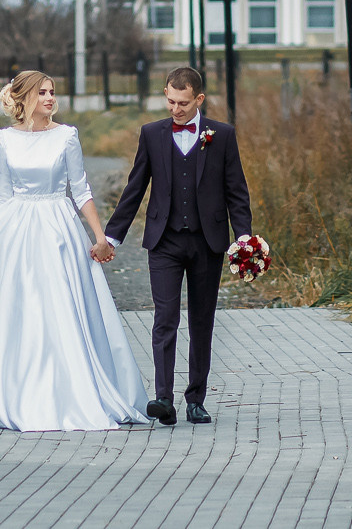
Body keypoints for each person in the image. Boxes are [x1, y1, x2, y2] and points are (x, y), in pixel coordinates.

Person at [0, 71, 148, 430]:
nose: (49, 98)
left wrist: (99, 237)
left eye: (52, 92)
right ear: (24, 98)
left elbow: (81, 190)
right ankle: (19, 392)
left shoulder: (66, 136)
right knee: (22, 308)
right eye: (41, 92)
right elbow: (1, 195)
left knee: (61, 308)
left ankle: (72, 392)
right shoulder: (5, 140)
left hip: (58, 229)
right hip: (16, 230)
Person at [102, 65, 252, 426]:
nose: (175, 109)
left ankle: (196, 400)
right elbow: (135, 187)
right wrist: (111, 236)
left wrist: (244, 238)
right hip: (164, 240)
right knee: (164, 318)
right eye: (170, 101)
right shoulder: (152, 134)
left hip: (208, 242)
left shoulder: (223, 135)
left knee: (202, 321)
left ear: (198, 99)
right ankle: (163, 398)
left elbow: (236, 192)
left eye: (183, 103)